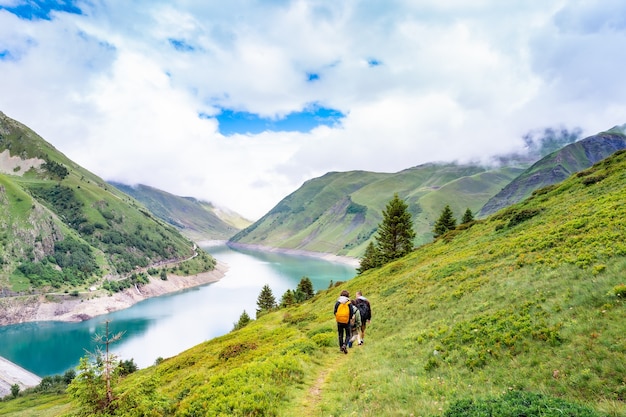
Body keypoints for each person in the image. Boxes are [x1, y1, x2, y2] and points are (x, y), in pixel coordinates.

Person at [334, 290, 353, 354]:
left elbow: (335, 311)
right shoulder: (349, 303)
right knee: (348, 334)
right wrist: (349, 318)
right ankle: (345, 345)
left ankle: (341, 347)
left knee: (340, 334)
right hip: (346, 321)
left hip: (339, 321)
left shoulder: (338, 302)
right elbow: (351, 312)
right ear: (347, 295)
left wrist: (338, 317)